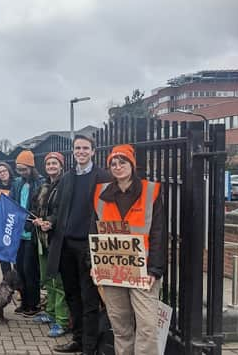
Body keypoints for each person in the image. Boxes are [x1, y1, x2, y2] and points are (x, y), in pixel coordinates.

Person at [93, 144, 165, 355]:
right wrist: (94, 265)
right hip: (112, 270)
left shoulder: (151, 191)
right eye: (113, 163)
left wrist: (155, 269)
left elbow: (159, 232)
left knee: (148, 327)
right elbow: (94, 232)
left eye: (122, 161)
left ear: (132, 164)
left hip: (144, 271)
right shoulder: (100, 194)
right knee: (120, 328)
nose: (117, 166)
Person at [43, 135, 112, 354]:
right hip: (65, 245)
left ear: (93, 151)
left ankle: (89, 348)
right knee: (72, 295)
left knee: (89, 299)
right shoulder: (68, 178)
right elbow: (57, 210)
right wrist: (50, 222)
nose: (81, 151)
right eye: (77, 148)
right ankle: (79, 340)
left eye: (85, 148)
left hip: (89, 247)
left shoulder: (103, 177)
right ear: (73, 152)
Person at [32, 152, 69, 338]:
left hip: (57, 238)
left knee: (59, 280)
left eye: (55, 163)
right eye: (49, 163)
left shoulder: (65, 185)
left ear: (61, 165)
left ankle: (62, 320)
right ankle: (51, 312)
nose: (52, 166)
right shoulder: (44, 185)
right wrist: (36, 218)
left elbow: (62, 210)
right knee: (48, 278)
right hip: (42, 238)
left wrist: (50, 222)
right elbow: (35, 206)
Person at [9, 150, 44, 318]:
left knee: (31, 270)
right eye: (19, 169)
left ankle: (33, 303)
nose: (21, 172)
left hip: (31, 233)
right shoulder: (17, 183)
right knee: (20, 269)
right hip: (18, 232)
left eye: (24, 169)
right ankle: (24, 301)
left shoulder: (40, 183)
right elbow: (11, 201)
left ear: (31, 167)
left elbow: (41, 206)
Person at [0, 162, 14, 274]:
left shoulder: (16, 184)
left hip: (14, 223)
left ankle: (17, 280)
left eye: (4, 171)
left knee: (16, 254)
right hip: (2, 224)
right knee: (3, 255)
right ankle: (6, 279)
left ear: (9, 171)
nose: (2, 174)